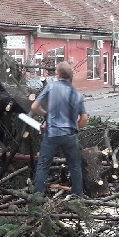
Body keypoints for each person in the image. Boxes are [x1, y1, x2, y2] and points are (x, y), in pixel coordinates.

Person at [31, 62, 89, 197]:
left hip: (52, 134)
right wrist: (75, 128)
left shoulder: (51, 87)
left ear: (58, 75)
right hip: (70, 135)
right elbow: (84, 119)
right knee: (75, 166)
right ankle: (78, 197)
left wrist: (46, 114)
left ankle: (37, 198)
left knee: (43, 166)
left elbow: (34, 107)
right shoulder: (77, 94)